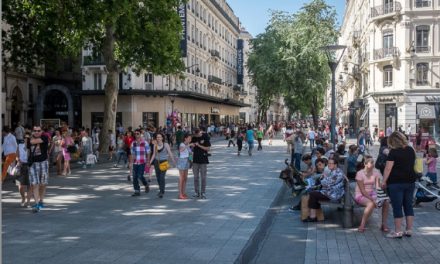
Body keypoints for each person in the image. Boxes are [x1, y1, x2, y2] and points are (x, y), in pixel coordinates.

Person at [382, 131, 416, 238]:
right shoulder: (410, 150)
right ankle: (409, 230)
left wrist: (383, 181)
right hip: (410, 181)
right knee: (408, 205)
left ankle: (398, 232)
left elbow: (388, 169)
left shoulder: (393, 152)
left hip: (396, 182)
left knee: (397, 207)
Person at [303, 156, 345, 222]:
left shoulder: (337, 173)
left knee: (312, 194)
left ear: (335, 164)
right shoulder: (334, 171)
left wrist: (323, 178)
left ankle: (313, 216)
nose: (329, 165)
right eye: (328, 163)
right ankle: (315, 216)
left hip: (333, 194)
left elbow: (327, 183)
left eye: (331, 163)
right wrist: (324, 181)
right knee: (313, 192)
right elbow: (326, 183)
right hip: (330, 191)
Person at [355, 156, 389, 233]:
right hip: (360, 194)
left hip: (372, 193)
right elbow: (362, 190)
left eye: (373, 162)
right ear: (365, 164)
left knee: (386, 202)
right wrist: (373, 199)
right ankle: (362, 224)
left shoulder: (375, 173)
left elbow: (377, 187)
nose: (373, 164)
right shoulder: (359, 173)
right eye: (371, 162)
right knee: (371, 204)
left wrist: (381, 195)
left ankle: (384, 224)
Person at [28, 126, 49, 212]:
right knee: (35, 184)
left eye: (38, 131)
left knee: (43, 184)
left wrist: (30, 137)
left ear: (41, 131)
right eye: (35, 130)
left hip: (43, 163)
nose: (36, 132)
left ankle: (41, 200)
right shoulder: (30, 139)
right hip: (33, 164)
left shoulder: (44, 137)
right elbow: (28, 147)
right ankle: (37, 204)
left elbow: (34, 141)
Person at [150, 132, 175, 198]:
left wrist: (173, 161)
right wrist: (149, 162)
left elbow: (170, 153)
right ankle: (161, 188)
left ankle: (161, 191)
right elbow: (153, 154)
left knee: (162, 177)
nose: (158, 138)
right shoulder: (155, 145)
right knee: (158, 177)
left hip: (164, 162)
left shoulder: (166, 144)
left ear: (162, 138)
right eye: (157, 137)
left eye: (160, 137)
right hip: (156, 162)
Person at [191, 128, 211, 199]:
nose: (196, 136)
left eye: (197, 134)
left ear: (200, 132)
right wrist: (192, 146)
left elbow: (208, 148)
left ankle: (203, 192)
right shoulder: (194, 138)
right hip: (195, 160)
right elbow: (191, 147)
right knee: (195, 177)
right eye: (195, 135)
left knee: (203, 177)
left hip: (203, 160)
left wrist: (199, 145)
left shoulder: (205, 137)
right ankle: (196, 192)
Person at [130, 129, 150, 196]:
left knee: (140, 175)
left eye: (138, 133)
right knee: (134, 177)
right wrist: (131, 163)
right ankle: (137, 191)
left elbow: (148, 152)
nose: (136, 135)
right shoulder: (133, 143)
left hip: (142, 161)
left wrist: (148, 161)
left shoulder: (145, 143)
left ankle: (146, 184)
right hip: (135, 162)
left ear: (141, 134)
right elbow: (132, 153)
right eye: (135, 134)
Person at [15, 133, 32, 207]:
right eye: (25, 137)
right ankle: (23, 198)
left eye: (28, 138)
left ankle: (28, 201)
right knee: (20, 184)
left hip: (30, 166)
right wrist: (18, 160)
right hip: (21, 166)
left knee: (30, 185)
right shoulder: (19, 146)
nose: (26, 139)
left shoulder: (32, 146)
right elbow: (16, 155)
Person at [177, 134, 192, 199]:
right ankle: (180, 193)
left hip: (187, 161)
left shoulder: (187, 145)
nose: (190, 140)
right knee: (181, 178)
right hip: (182, 160)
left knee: (185, 178)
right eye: (189, 138)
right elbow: (181, 150)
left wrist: (191, 160)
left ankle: (183, 192)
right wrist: (188, 145)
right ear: (185, 138)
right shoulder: (182, 144)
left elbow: (190, 153)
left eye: (190, 138)